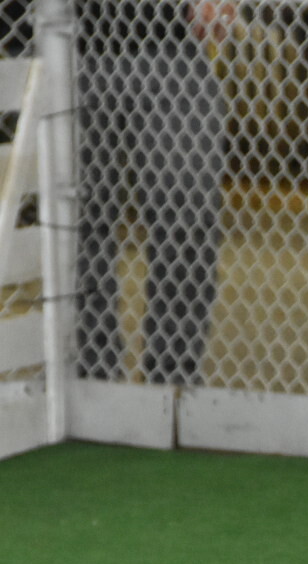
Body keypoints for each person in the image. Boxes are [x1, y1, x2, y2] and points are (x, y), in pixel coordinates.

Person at [75, 1, 234, 385]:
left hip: (172, 47)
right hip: (73, 47)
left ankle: (173, 374)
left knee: (186, 212)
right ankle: (93, 373)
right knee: (80, 222)